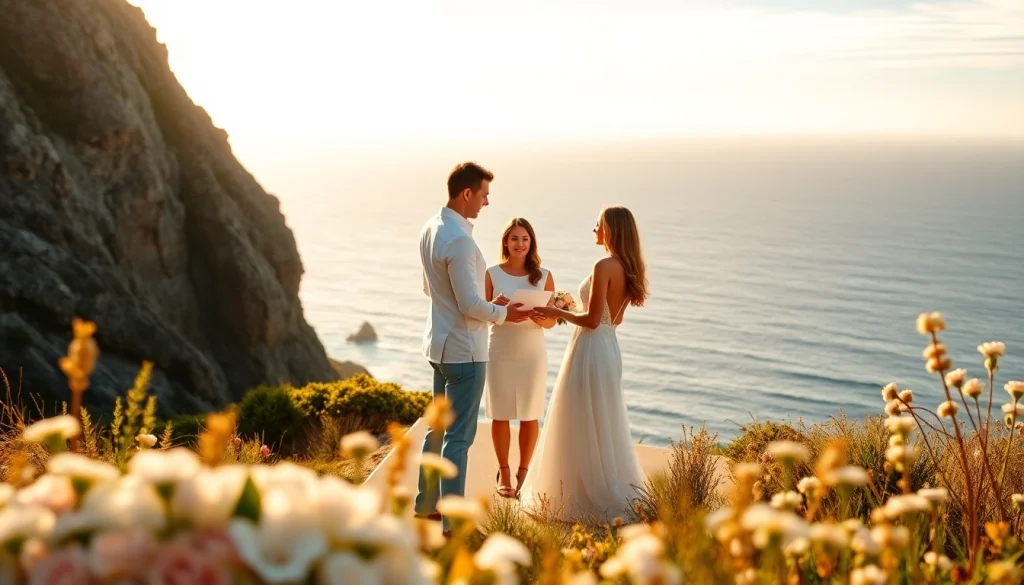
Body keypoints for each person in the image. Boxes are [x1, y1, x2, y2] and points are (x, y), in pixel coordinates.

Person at [415, 162, 534, 533]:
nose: (486, 201)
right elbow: (470, 305)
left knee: (437, 431)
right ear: (467, 193)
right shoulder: (462, 240)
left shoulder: (431, 228)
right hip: (465, 352)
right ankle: (451, 522)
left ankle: (425, 504)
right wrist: (503, 312)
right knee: (459, 438)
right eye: (483, 194)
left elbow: (431, 290)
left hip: (438, 346)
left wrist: (486, 303)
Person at [517, 206, 650, 522]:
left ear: (611, 230)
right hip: (609, 347)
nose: (594, 228)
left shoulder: (604, 264)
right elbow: (606, 317)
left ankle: (578, 493)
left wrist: (556, 313)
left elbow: (591, 320)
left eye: (599, 224)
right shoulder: (629, 266)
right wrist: (569, 307)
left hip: (590, 348)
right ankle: (596, 483)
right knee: (602, 417)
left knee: (577, 415)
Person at [484, 217, 556, 499]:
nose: (519, 244)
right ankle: (503, 470)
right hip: (499, 349)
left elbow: (552, 322)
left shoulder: (544, 275)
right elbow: (481, 314)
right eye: (514, 238)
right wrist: (496, 309)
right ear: (505, 241)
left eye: (525, 239)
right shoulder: (491, 273)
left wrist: (543, 316)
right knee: (499, 412)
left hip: (532, 351)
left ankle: (524, 471)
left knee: (530, 413)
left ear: (531, 242)